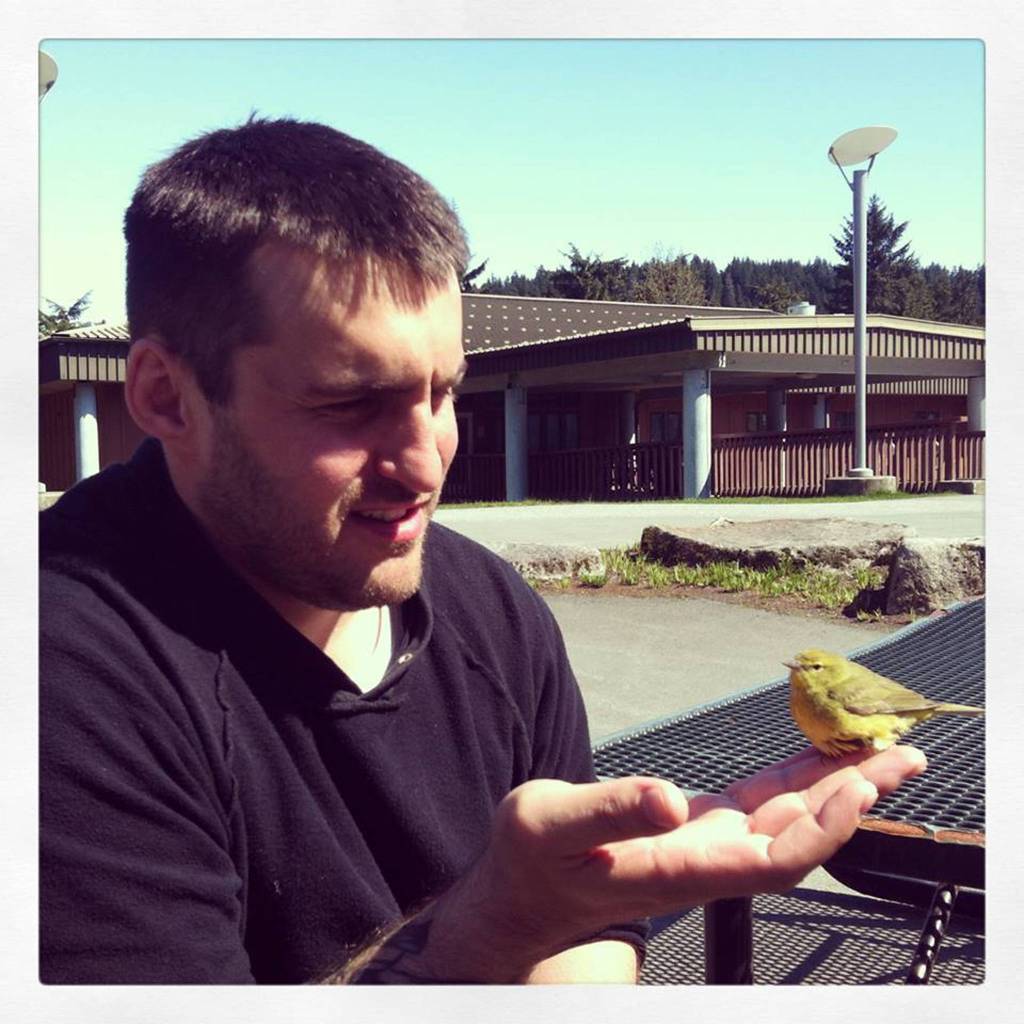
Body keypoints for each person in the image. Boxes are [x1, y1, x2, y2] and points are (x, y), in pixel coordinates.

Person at [39, 116, 926, 985]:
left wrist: (567, 914)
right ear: (165, 397)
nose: (427, 464)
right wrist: (499, 927)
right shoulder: (61, 679)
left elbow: (585, 936)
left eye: (443, 392)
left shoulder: (486, 606)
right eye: (351, 403)